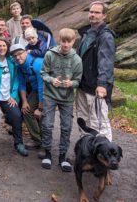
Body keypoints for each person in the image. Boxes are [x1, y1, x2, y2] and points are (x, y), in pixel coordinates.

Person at [40, 28, 82, 172]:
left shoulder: (77, 59)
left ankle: (63, 156)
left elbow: (78, 80)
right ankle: (47, 153)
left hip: (67, 98)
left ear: (73, 42)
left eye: (68, 42)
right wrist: (51, 80)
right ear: (59, 41)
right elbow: (43, 73)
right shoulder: (50, 55)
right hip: (50, 95)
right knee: (47, 124)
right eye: (63, 41)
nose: (65, 45)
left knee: (66, 126)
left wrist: (72, 84)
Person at [76, 1, 115, 141]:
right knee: (83, 120)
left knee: (99, 122)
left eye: (97, 12)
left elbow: (106, 62)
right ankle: (86, 151)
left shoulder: (106, 36)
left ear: (104, 15)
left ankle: (104, 156)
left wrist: (102, 84)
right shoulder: (86, 33)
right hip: (83, 85)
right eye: (91, 12)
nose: (92, 14)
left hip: (96, 87)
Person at [11, 42, 44, 150]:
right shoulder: (19, 66)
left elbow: (41, 85)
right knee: (26, 110)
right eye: (15, 56)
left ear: (26, 52)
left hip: (48, 89)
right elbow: (21, 84)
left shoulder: (37, 63)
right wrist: (24, 102)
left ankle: (43, 140)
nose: (17, 57)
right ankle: (38, 139)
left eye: (20, 54)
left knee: (40, 113)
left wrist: (40, 107)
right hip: (35, 90)